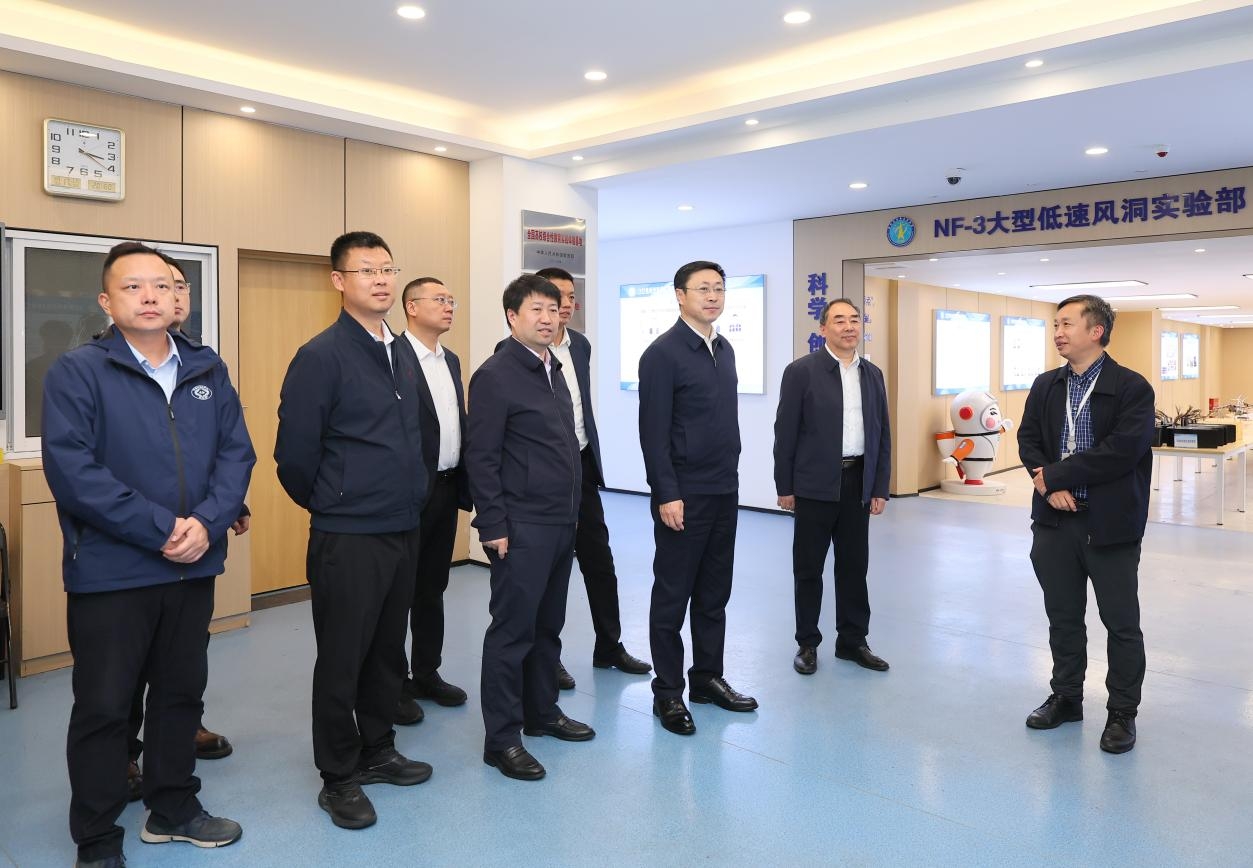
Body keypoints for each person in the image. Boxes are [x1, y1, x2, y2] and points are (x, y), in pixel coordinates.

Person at [42, 241, 255, 867]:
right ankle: (97, 837)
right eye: (132, 287)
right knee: (105, 707)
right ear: (107, 302)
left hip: (193, 567)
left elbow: (235, 453)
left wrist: (208, 523)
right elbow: (74, 472)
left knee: (180, 694)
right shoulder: (78, 372)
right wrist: (163, 529)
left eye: (161, 284)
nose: (150, 296)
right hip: (113, 571)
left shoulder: (206, 368)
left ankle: (173, 809)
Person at [275, 231, 431, 830]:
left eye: (388, 269)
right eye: (367, 270)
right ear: (339, 281)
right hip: (348, 533)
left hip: (402, 524)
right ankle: (338, 774)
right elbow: (295, 454)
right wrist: (333, 502)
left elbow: (417, 435)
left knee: (388, 650)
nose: (381, 280)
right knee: (343, 656)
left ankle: (377, 749)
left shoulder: (400, 350)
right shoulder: (322, 355)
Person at [468, 273, 594, 781]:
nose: (547, 318)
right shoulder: (496, 374)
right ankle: (501, 739)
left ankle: (541, 712)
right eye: (536, 310)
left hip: (561, 519)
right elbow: (482, 456)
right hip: (521, 525)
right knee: (512, 631)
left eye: (553, 309)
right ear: (512, 316)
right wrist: (493, 523)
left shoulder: (553, 366)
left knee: (547, 626)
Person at [1017, 294, 1154, 754]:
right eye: (1055, 324)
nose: (1057, 332)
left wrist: (1056, 475)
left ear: (1096, 331)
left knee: (1121, 622)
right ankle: (1066, 697)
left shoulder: (1132, 388)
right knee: (1063, 617)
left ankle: (1122, 712)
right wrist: (1047, 487)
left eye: (1067, 324)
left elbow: (1121, 452)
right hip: (1055, 523)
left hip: (1109, 526)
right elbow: (1029, 440)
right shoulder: (1046, 385)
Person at [124, 254, 239, 804]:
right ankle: (125, 753)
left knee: (185, 658)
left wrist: (220, 511)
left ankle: (180, 735)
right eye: (156, 285)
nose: (170, 295)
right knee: (126, 665)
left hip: (198, 543)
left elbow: (222, 448)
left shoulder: (202, 363)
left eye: (178, 286)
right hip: (131, 545)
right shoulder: (100, 365)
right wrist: (166, 527)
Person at [638, 259, 757, 737]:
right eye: (703, 288)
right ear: (680, 295)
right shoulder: (662, 354)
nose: (713, 296)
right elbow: (653, 433)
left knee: (713, 594)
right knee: (672, 596)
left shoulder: (723, 348)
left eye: (719, 288)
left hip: (724, 489)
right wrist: (667, 492)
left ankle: (707, 678)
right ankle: (667, 692)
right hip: (684, 496)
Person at [535, 266, 651, 687]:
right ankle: (547, 658)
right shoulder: (518, 349)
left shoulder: (580, 345)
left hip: (582, 466)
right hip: (545, 474)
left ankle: (609, 646)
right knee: (550, 570)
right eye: (556, 296)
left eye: (570, 296)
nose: (565, 304)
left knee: (599, 560)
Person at [774, 298, 892, 676]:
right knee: (809, 567)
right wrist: (785, 485)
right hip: (814, 484)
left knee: (854, 566)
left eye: (854, 320)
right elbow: (785, 433)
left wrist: (879, 486)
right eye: (839, 320)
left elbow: (882, 434)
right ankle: (807, 643)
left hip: (858, 482)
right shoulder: (801, 372)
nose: (849, 326)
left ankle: (853, 641)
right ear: (823, 329)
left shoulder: (872, 374)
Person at [400, 277, 472, 710]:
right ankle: (393, 683)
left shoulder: (451, 359)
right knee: (398, 591)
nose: (448, 307)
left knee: (432, 586)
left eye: (452, 300)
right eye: (439, 299)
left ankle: (427, 672)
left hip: (445, 488)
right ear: (411, 306)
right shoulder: (394, 356)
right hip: (408, 492)